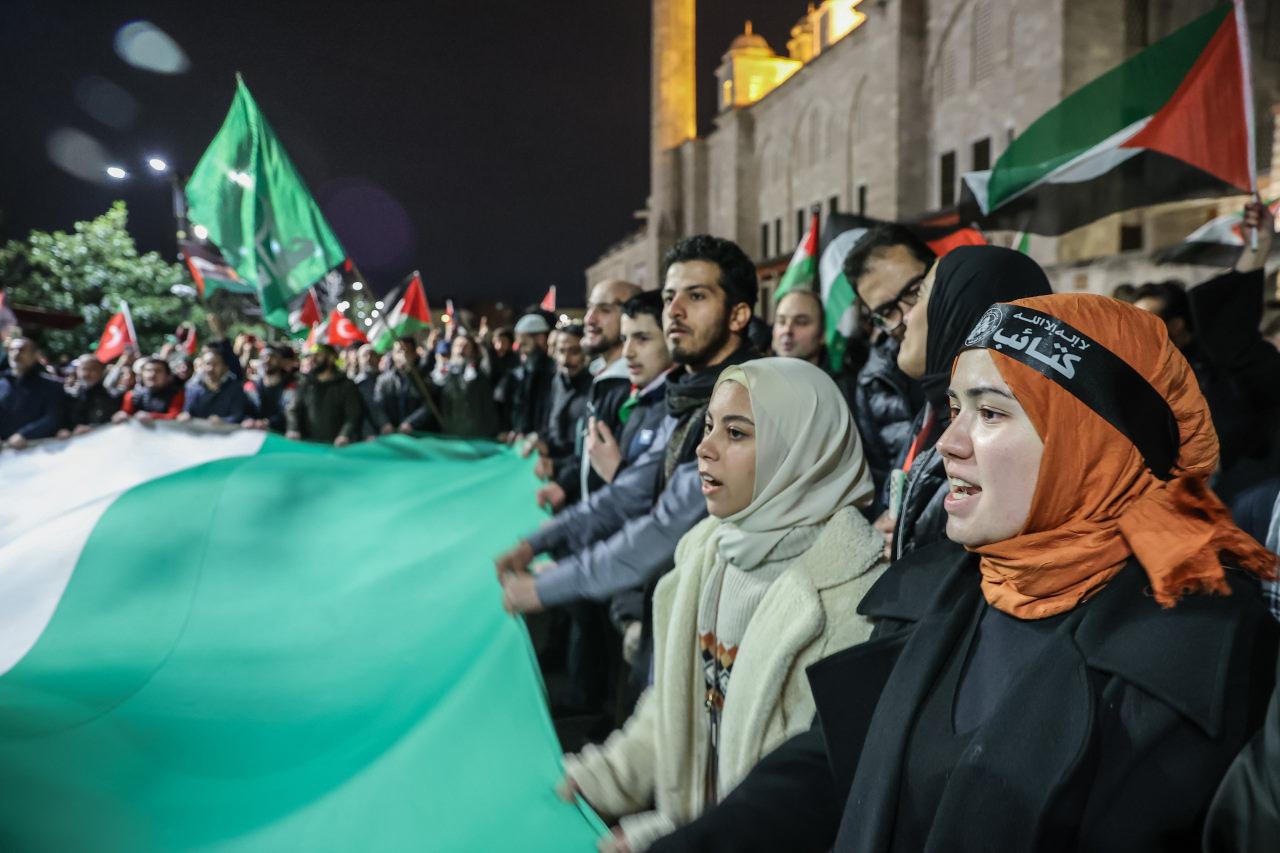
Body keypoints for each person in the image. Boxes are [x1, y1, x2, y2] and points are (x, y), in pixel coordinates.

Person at [651, 294, 1278, 853]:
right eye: (955, 407)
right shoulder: (939, 588)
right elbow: (832, 765)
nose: (949, 440)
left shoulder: (1202, 648)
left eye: (992, 413)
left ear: (1091, 443)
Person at [559, 358, 885, 852]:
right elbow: (672, 707)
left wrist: (668, 839)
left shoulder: (856, 601)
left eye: (736, 433)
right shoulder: (706, 551)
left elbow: (796, 803)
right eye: (710, 426)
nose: (704, 449)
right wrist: (601, 777)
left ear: (799, 452)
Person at [497, 235, 759, 713]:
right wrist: (538, 542)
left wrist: (540, 588)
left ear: (739, 315)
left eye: (696, 296)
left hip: (726, 632)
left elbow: (664, 525)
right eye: (668, 298)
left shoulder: (748, 398)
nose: (674, 311)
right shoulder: (691, 397)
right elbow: (630, 492)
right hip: (676, 613)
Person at [886, 245, 1052, 560]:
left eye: (919, 295)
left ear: (959, 306)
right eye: (956, 409)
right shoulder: (931, 413)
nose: (905, 317)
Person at [841, 225, 930, 506]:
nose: (907, 316)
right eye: (887, 311)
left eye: (914, 291)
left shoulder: (992, 352)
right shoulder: (872, 381)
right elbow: (877, 481)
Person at [285, 344, 362, 446]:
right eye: (311, 356)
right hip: (307, 445)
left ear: (331, 358)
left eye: (318, 355)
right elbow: (293, 409)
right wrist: (293, 429)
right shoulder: (304, 383)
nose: (312, 359)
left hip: (336, 448)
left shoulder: (346, 385)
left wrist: (344, 435)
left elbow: (353, 414)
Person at [0, 336, 64, 448]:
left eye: (22, 350)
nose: (16, 353)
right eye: (12, 350)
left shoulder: (52, 385)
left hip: (40, 452)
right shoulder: (2, 384)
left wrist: (24, 434)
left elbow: (53, 417)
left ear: (35, 355)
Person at [432, 332, 499, 437]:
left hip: (475, 433)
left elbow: (487, 406)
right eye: (458, 345)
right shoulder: (442, 375)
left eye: (466, 346)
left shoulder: (479, 375)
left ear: (472, 351)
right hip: (449, 432)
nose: (461, 349)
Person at [505, 312, 557, 439]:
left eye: (524, 344)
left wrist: (540, 435)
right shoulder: (524, 369)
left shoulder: (554, 371)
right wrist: (518, 429)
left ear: (540, 339)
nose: (521, 349)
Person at [374, 337, 438, 435]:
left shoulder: (424, 376)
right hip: (392, 433)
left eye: (407, 351)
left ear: (414, 354)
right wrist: (385, 423)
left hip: (418, 432)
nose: (402, 355)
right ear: (393, 355)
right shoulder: (383, 380)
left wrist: (411, 423)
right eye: (398, 351)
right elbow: (378, 406)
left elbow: (429, 404)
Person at [179, 345, 250, 424]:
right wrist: (185, 415)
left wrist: (223, 421)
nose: (210, 368)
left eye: (216, 364)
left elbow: (238, 416)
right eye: (207, 364)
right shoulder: (192, 387)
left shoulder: (236, 389)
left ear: (225, 367)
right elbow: (188, 410)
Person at [59, 355, 119, 436]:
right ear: (77, 371)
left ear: (101, 371)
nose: (86, 374)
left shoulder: (112, 396)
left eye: (92, 369)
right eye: (84, 369)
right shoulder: (68, 396)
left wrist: (92, 428)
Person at [112, 357, 185, 423]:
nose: (152, 374)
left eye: (158, 371)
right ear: (141, 374)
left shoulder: (177, 393)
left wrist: (152, 416)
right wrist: (121, 416)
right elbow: (126, 413)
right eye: (148, 370)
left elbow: (175, 416)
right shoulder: (131, 395)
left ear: (168, 376)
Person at [242, 344, 296, 433]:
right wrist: (249, 419)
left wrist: (268, 422)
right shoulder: (250, 386)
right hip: (255, 436)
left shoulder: (291, 387)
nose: (267, 360)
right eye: (263, 357)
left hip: (282, 436)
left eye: (272, 356)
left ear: (281, 361)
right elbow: (244, 409)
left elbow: (289, 412)